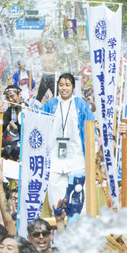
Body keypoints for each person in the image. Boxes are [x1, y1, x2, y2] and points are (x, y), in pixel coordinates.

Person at [39, 73, 96, 206]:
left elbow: (90, 128)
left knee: (77, 193)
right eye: (61, 85)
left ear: (73, 87)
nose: (64, 88)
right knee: (54, 193)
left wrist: (91, 151)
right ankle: (58, 220)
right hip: (54, 157)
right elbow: (37, 121)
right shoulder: (50, 105)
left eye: (67, 85)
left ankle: (76, 222)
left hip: (76, 156)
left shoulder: (81, 105)